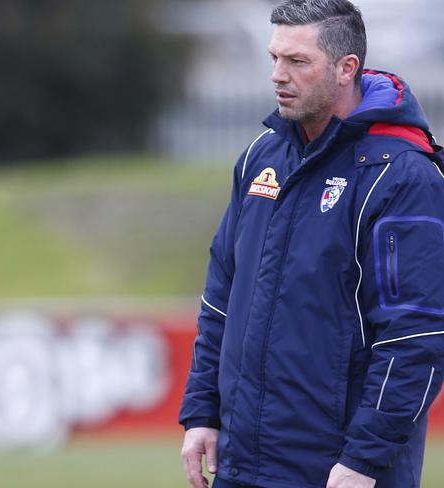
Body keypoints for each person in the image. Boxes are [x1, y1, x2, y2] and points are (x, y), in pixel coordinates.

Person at [179, 1, 444, 487]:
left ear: (347, 68)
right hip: (242, 463)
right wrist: (202, 412)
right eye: (274, 58)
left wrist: (365, 459)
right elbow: (221, 297)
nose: (279, 74)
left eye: (297, 62)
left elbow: (416, 338)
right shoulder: (261, 156)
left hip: (340, 471)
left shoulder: (403, 176)